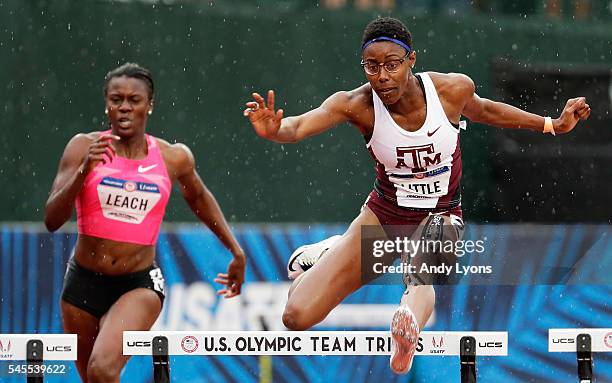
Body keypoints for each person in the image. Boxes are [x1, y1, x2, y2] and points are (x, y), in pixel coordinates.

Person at [244, 17, 590, 374]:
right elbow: (298, 125)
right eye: (372, 66)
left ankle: (407, 330)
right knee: (296, 316)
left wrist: (552, 124)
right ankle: (333, 250)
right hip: (385, 218)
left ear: (411, 60)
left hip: (441, 216)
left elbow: (486, 110)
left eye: (392, 65)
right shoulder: (356, 104)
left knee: (423, 269)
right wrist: (275, 130)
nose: (382, 76)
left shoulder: (451, 90)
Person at [44, 62, 246, 383]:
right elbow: (52, 220)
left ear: (149, 105)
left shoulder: (172, 157)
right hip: (82, 284)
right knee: (94, 378)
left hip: (138, 283)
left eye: (134, 100)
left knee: (102, 368)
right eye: (116, 99)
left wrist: (236, 251)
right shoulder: (83, 147)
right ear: (106, 104)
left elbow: (200, 199)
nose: (124, 107)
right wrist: (84, 170)